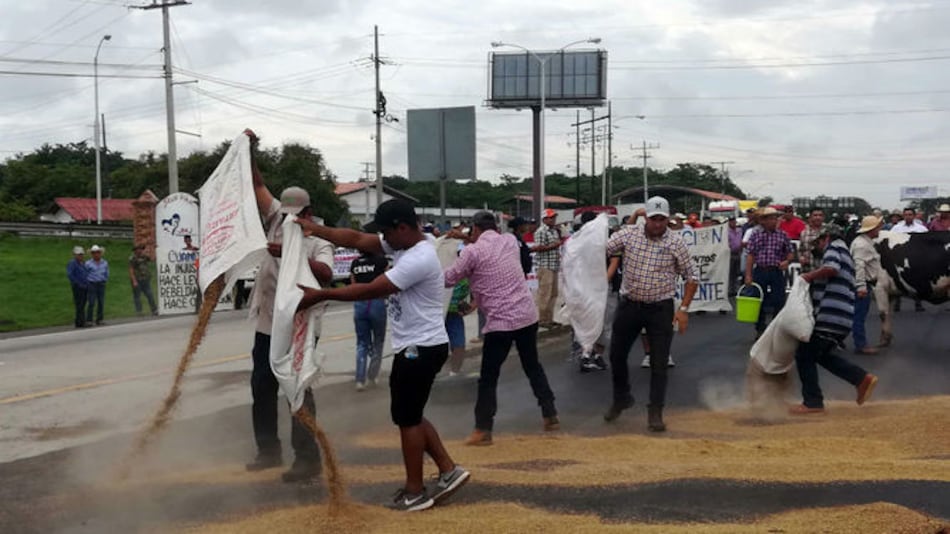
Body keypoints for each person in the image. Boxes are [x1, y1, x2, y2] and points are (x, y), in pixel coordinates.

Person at [296, 199, 470, 512]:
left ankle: (415, 491)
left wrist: (321, 295)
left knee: (407, 419)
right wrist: (315, 230)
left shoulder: (418, 258)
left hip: (421, 347)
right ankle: (448, 469)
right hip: (418, 345)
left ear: (402, 228)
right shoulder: (407, 245)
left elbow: (371, 289)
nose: (383, 240)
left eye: (386, 233)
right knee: (410, 414)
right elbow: (356, 239)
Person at [243, 130, 334, 484]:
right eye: (288, 213)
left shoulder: (318, 238)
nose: (292, 219)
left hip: (299, 327)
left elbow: (325, 274)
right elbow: (256, 184)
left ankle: (307, 458)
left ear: (309, 212)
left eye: (298, 214)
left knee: (296, 388)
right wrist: (247, 148)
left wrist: (292, 254)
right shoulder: (277, 219)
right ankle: (268, 450)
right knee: (261, 386)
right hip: (268, 324)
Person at [442, 211, 559, 445]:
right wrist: (467, 238)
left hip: (500, 322)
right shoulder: (509, 241)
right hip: (526, 316)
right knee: (532, 366)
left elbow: (449, 278)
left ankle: (483, 429)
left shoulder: (472, 252)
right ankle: (550, 414)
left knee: (488, 378)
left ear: (474, 229)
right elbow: (490, 247)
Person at [602, 197, 698, 432]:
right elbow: (604, 248)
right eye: (653, 219)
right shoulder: (629, 234)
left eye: (661, 220)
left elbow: (692, 277)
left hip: (660, 308)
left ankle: (655, 411)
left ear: (668, 220)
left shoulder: (676, 243)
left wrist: (683, 309)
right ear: (646, 218)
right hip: (630, 305)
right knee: (616, 355)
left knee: (659, 362)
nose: (657, 224)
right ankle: (621, 397)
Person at [791, 224, 879, 415]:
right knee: (821, 355)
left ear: (827, 238)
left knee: (804, 354)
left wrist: (808, 276)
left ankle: (813, 402)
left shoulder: (834, 247)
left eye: (820, 242)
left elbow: (831, 268)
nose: (819, 246)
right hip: (841, 315)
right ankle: (861, 378)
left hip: (831, 315)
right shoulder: (845, 252)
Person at [745, 207, 795, 339]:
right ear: (764, 221)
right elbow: (750, 255)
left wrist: (786, 262)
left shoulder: (782, 235)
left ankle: (775, 327)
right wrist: (748, 275)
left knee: (778, 300)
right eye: (772, 218)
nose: (775, 221)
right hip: (760, 270)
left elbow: (790, 253)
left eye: (776, 218)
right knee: (758, 300)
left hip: (776, 271)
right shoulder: (756, 235)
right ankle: (760, 328)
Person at [350, 249, 389, 391]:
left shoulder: (355, 263)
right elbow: (388, 280)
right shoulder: (381, 261)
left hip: (360, 303)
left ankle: (360, 380)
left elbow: (353, 284)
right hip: (377, 302)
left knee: (361, 343)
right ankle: (373, 375)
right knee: (378, 340)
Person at [850, 215, 883, 355]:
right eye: (878, 227)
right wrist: (861, 287)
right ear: (872, 229)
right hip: (864, 284)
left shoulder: (865, 242)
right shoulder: (862, 245)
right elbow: (859, 267)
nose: (880, 229)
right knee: (859, 316)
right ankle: (861, 344)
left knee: (859, 315)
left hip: (868, 283)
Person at [889, 207, 928, 312]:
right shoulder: (897, 228)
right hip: (900, 259)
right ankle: (897, 303)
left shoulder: (921, 229)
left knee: (917, 280)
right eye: (906, 215)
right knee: (898, 280)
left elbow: (927, 244)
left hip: (916, 259)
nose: (908, 217)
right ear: (903, 216)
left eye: (910, 214)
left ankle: (918, 303)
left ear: (914, 216)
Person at [532, 208, 566, 327]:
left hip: (554, 265)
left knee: (553, 294)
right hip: (545, 265)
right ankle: (542, 319)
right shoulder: (541, 231)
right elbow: (539, 248)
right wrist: (554, 245)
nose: (553, 219)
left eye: (554, 217)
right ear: (544, 219)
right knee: (544, 293)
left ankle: (549, 319)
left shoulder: (554, 231)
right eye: (551, 218)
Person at [128, 244, 158, 316]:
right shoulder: (132, 258)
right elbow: (131, 270)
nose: (140, 250)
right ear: (135, 250)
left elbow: (152, 259)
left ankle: (154, 310)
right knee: (137, 296)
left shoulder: (144, 257)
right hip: (137, 279)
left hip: (145, 279)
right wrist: (134, 280)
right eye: (139, 249)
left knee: (150, 294)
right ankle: (139, 311)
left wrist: (154, 249)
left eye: (141, 249)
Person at [85, 245, 109, 326]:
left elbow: (106, 273)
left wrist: (105, 279)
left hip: (101, 283)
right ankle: (89, 320)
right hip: (92, 283)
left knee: (101, 302)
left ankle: (100, 319)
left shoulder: (104, 263)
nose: (96, 254)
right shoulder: (88, 263)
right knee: (91, 302)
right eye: (94, 253)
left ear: (100, 253)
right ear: (92, 254)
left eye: (98, 252)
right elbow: (85, 273)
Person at [66, 246, 89, 328]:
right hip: (78, 287)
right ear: (75, 255)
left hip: (85, 286)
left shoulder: (83, 263)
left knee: (83, 304)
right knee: (79, 304)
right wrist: (77, 283)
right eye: (79, 254)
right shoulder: (72, 263)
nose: (81, 256)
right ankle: (80, 321)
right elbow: (70, 275)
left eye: (82, 254)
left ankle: (81, 321)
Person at [798, 208, 825, 273]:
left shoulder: (828, 232)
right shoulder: (804, 233)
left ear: (824, 217)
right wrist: (801, 258)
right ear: (810, 217)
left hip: (824, 271)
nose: (818, 217)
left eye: (820, 215)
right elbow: (800, 250)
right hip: (807, 271)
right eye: (815, 215)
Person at [727, 216, 743, 296]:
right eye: (731, 221)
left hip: (739, 253)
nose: (732, 223)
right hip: (730, 254)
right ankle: (730, 289)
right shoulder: (726, 231)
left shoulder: (739, 230)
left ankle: (737, 289)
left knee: (738, 272)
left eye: (734, 221)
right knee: (730, 272)